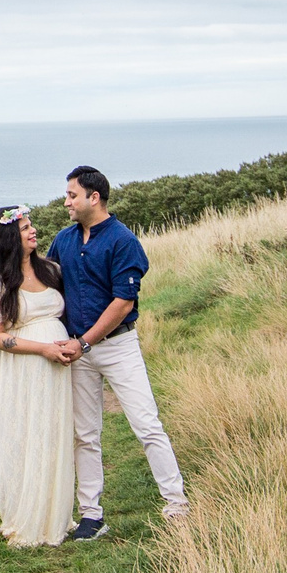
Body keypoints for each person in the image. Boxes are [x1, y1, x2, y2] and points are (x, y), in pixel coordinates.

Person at [46, 166, 187, 537]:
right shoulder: (63, 239)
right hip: (77, 350)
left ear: (94, 197)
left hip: (117, 346)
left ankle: (177, 504)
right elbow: (48, 282)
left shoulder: (123, 241)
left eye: (72, 195)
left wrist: (85, 341)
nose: (66, 202)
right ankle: (92, 515)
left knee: (146, 424)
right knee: (85, 434)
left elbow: (123, 303)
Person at [0, 203, 76, 547]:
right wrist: (43, 348)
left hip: (55, 369)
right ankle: (25, 515)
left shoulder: (49, 270)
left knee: (52, 435)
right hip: (22, 369)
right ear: (9, 239)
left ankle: (53, 514)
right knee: (24, 435)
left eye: (31, 225)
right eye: (24, 228)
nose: (33, 231)